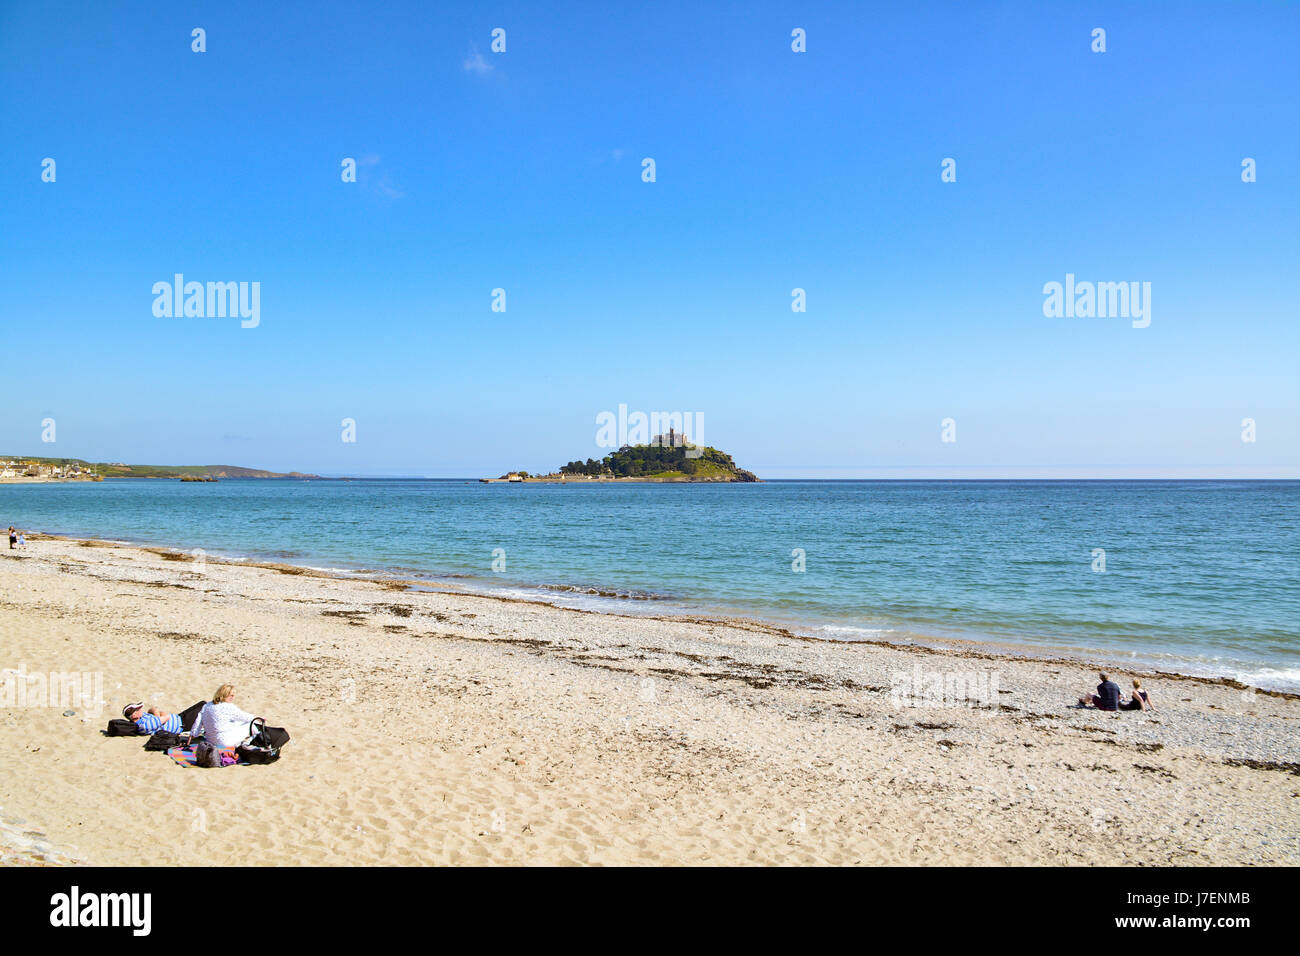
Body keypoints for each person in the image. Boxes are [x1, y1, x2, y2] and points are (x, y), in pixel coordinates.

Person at [188, 684, 262, 749]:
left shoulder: (207, 705)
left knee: (237, 722)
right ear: (224, 695)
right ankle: (255, 741)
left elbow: (198, 722)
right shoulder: (228, 707)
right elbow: (246, 717)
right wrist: (258, 718)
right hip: (224, 742)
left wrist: (192, 735)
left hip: (210, 740)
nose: (233, 698)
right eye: (231, 696)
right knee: (250, 725)